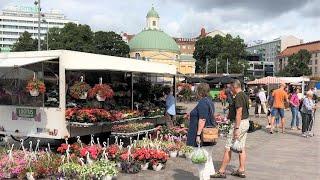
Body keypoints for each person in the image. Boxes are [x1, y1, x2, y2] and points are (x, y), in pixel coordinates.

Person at [211, 80, 250, 178]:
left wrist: (236, 128)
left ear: (234, 87)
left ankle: (222, 171)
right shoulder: (244, 95)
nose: (230, 89)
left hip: (239, 124)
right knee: (241, 147)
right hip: (245, 122)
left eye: (231, 87)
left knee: (228, 147)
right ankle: (241, 170)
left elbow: (239, 112)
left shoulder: (238, 96)